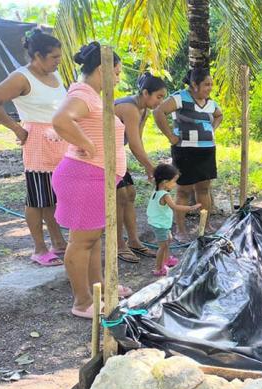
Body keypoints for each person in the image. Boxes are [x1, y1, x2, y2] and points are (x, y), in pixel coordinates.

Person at [51, 42, 132, 319]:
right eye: (117, 72)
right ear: (102, 70)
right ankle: (82, 302)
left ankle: (99, 290)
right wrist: (86, 143)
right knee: (81, 242)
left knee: (92, 239)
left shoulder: (91, 95)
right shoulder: (84, 94)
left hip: (93, 177)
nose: (119, 79)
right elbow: (61, 120)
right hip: (84, 176)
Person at [0, 29, 67, 266]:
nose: (59, 61)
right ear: (37, 55)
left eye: (59, 56)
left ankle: (58, 242)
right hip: (38, 142)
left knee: (52, 197)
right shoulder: (21, 77)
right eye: (54, 57)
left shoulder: (55, 76)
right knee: (37, 199)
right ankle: (39, 248)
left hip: (60, 142)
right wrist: (16, 128)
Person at [153, 68, 222, 242]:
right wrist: (170, 136)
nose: (210, 88)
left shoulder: (210, 102)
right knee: (183, 191)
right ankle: (181, 230)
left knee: (203, 189)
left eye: (211, 84)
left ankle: (205, 225)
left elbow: (219, 115)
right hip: (185, 151)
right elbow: (158, 112)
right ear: (194, 84)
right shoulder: (179, 98)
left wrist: (211, 130)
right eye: (206, 84)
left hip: (206, 151)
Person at [113, 73, 167, 263]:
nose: (160, 102)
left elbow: (139, 141)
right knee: (119, 197)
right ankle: (118, 245)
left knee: (130, 194)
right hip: (102, 155)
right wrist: (152, 168)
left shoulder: (144, 110)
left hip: (116, 154)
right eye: (158, 97)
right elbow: (134, 145)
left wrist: (146, 166)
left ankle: (134, 241)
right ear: (145, 93)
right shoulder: (129, 107)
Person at [147, 163, 201, 277]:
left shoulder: (156, 188)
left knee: (168, 240)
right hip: (160, 225)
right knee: (162, 246)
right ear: (165, 182)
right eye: (174, 181)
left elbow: (154, 178)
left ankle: (166, 260)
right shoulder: (165, 195)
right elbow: (175, 207)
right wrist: (191, 207)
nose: (175, 184)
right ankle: (158, 268)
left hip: (160, 223)